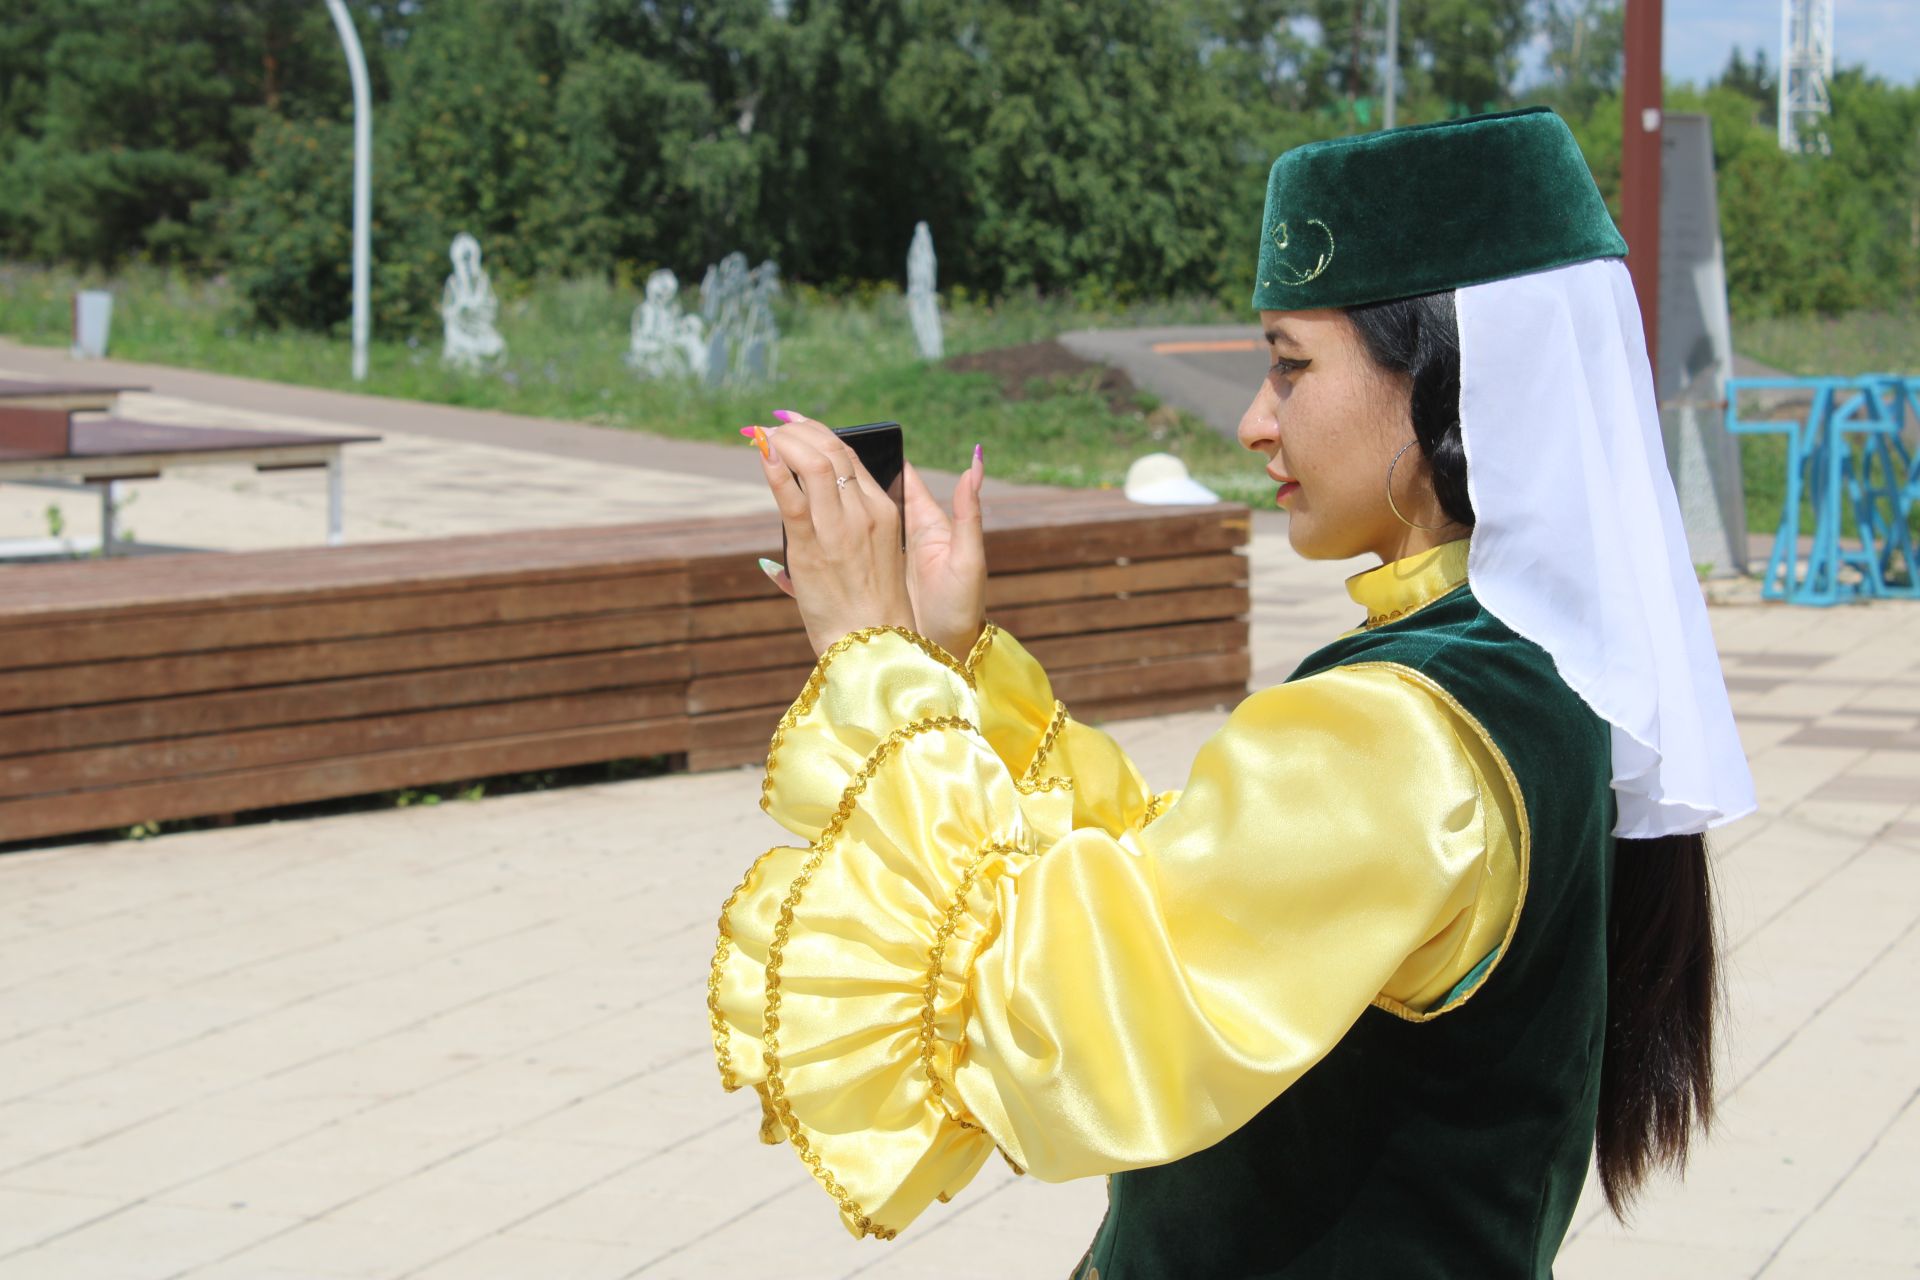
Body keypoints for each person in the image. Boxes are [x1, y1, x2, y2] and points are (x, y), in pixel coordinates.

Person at [706, 107, 1755, 1278]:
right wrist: (954, 664)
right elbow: (1187, 894)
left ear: (1447, 379)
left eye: (1291, 362)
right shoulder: (1538, 665)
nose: (1258, 419)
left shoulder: (1405, 727)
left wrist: (873, 657)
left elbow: (1057, 1012)